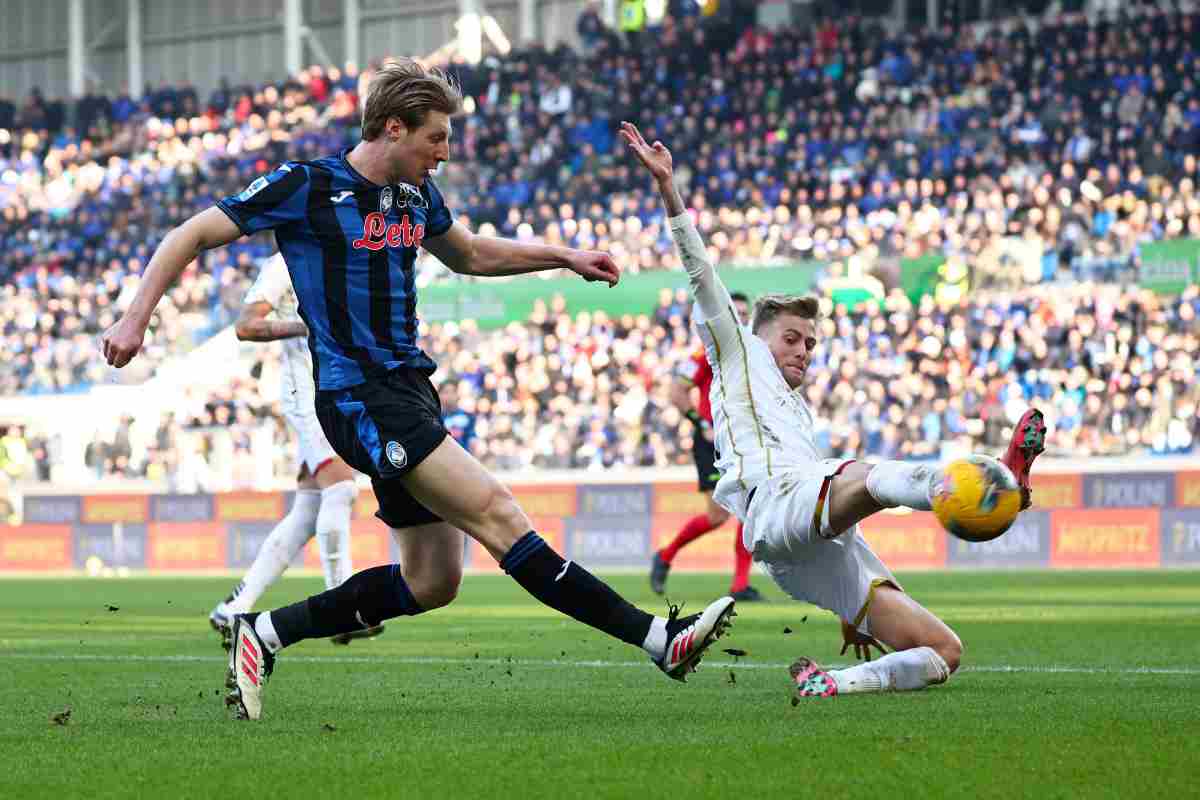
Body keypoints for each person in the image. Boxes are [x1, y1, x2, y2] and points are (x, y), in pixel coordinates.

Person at [101, 61, 735, 721]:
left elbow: (469, 254)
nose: (445, 152)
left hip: (409, 391)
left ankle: (261, 634)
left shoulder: (414, 196)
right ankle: (659, 638)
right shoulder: (310, 186)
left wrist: (565, 257)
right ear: (394, 127)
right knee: (496, 510)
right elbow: (193, 233)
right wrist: (135, 316)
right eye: (436, 137)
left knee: (434, 582)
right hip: (359, 398)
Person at [620, 120, 1046, 701]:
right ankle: (973, 477)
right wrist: (669, 187)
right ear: (757, 334)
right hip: (774, 503)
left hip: (809, 547)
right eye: (793, 338)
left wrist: (852, 600)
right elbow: (700, 272)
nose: (803, 350)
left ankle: (833, 684)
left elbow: (834, 501)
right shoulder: (736, 352)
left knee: (943, 650)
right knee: (866, 478)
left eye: (811, 343)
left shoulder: (795, 413)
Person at [208, 253, 381, 649]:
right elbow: (246, 326)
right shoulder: (284, 264)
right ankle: (342, 609)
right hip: (305, 394)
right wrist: (305, 326)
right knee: (341, 490)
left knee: (307, 511)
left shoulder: (343, 254)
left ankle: (235, 608)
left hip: (334, 391)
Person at [650, 291, 765, 602]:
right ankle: (665, 555)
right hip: (711, 445)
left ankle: (740, 585)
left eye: (745, 312)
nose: (740, 317)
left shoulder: (754, 354)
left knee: (749, 512)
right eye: (735, 311)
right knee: (718, 516)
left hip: (743, 443)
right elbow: (677, 391)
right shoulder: (705, 354)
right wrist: (701, 424)